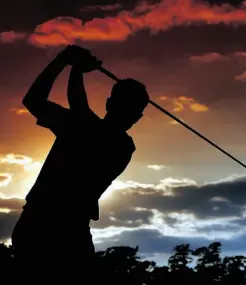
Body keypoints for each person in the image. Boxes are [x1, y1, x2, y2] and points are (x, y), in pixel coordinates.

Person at [11, 45, 150, 282]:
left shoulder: (120, 145)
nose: (129, 114)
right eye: (127, 107)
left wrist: (72, 66)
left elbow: (79, 110)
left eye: (131, 109)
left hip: (59, 229)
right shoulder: (77, 124)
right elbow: (33, 100)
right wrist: (64, 62)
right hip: (44, 227)